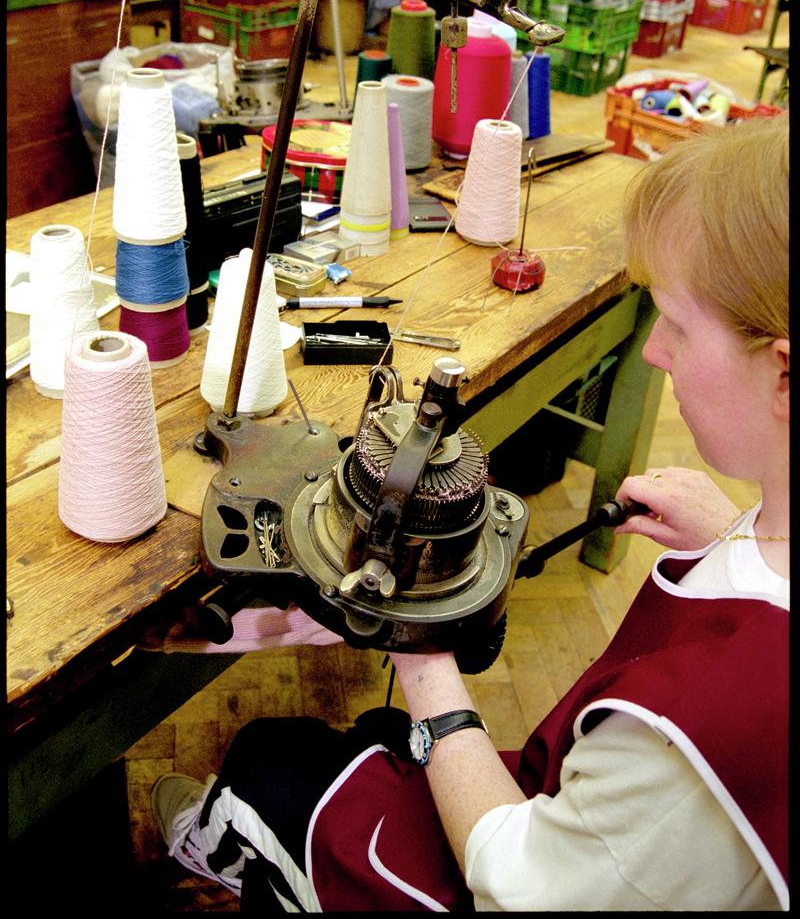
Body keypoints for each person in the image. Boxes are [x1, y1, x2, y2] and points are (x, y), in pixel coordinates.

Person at [150, 115, 788, 911]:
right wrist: (730, 537)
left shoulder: (703, 736)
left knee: (269, 765)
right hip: (601, 820)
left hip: (524, 880)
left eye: (680, 327)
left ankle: (232, 836)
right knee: (376, 743)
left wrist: (418, 654)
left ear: (784, 374)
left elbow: (520, 889)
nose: (653, 350)